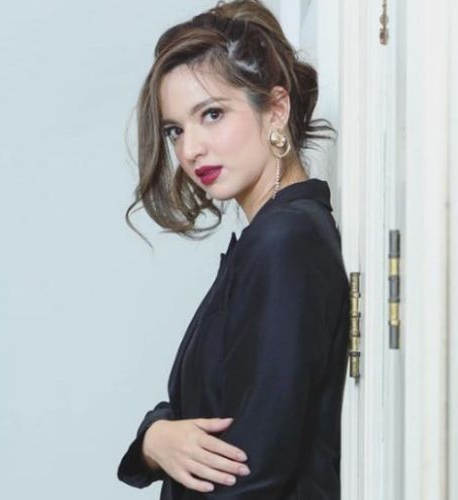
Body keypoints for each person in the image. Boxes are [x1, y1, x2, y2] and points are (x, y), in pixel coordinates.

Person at [116, 1, 350, 499]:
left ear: (277, 109)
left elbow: (254, 467)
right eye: (176, 130)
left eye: (212, 114)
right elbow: (213, 413)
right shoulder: (273, 235)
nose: (190, 149)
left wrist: (156, 435)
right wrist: (155, 438)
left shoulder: (286, 241)